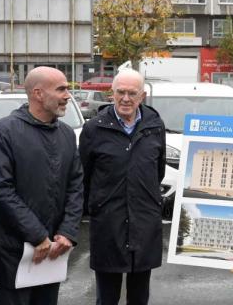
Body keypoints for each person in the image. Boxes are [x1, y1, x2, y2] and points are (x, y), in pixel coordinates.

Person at [0, 67, 83, 305]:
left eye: (67, 89)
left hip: (54, 252)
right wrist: (38, 236)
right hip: (14, 253)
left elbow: (76, 185)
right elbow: (0, 191)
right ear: (38, 93)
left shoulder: (67, 134)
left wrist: (67, 232)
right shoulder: (4, 131)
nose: (67, 95)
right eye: (61, 89)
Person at [79, 69, 167, 305]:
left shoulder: (155, 126)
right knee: (106, 298)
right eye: (120, 92)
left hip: (144, 224)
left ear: (142, 96)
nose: (126, 99)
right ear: (112, 93)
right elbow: (84, 177)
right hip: (108, 224)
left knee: (139, 297)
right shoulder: (94, 129)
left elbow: (157, 173)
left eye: (132, 93)